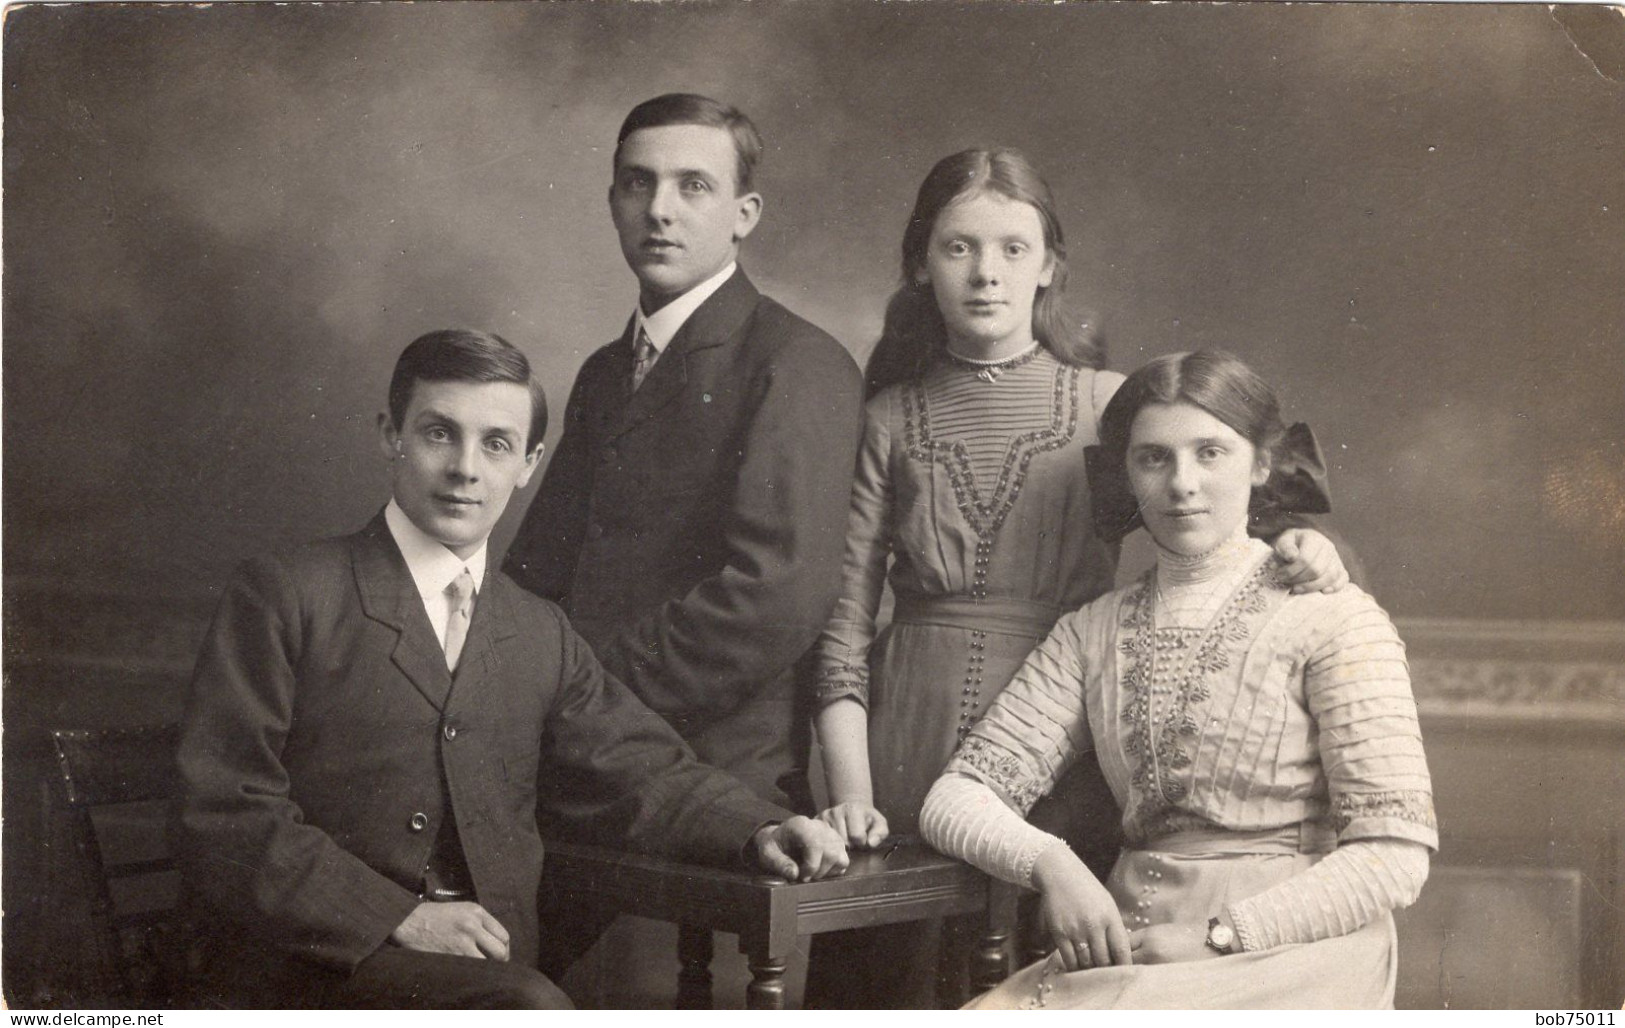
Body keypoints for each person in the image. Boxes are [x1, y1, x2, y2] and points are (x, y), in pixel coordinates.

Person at [803, 149, 1351, 1008]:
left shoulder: (1107, 404)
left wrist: (1314, 551)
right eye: (957, 249)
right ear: (920, 263)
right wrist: (851, 801)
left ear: (1049, 267)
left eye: (1013, 249)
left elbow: (1238, 509)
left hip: (1067, 744)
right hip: (902, 744)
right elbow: (842, 628)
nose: (986, 274)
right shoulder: (885, 417)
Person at [172, 329, 848, 1009]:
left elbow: (642, 770)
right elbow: (223, 810)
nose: (466, 468)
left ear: (528, 463)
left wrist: (757, 828)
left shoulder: (536, 629)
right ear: (390, 436)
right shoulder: (289, 594)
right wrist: (395, 917)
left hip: (488, 970)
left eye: (496, 444)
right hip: (315, 967)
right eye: (439, 433)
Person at [920, 349, 1437, 1009]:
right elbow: (956, 798)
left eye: (1210, 453)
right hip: (1129, 940)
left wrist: (1220, 934)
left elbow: (1393, 854)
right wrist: (1052, 865)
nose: (1181, 484)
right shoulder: (1091, 632)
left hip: (1295, 948)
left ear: (1262, 463)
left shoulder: (1333, 619)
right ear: (1125, 474)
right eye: (1153, 457)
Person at [503, 94, 864, 811]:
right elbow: (539, 566)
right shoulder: (606, 371)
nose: (659, 210)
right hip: (577, 750)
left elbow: (776, 595)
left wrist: (582, 699)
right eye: (638, 183)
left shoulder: (795, 360)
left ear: (744, 214)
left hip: (708, 770)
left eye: (692, 185)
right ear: (612, 202)